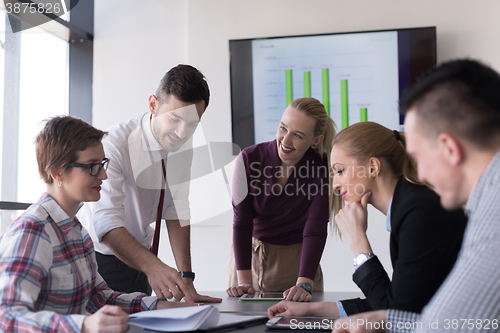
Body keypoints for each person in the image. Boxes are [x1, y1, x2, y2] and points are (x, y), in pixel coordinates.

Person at [332, 59, 500, 333]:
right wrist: (386, 319)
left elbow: (454, 328)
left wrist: (359, 245)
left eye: (418, 156)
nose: (419, 172)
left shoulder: (489, 219)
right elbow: (449, 319)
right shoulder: (486, 201)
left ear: (448, 148)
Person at [0, 116, 194, 333]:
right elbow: (7, 317)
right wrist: (84, 325)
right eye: (92, 167)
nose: (103, 174)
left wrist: (160, 306)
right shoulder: (32, 231)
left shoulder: (78, 231)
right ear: (57, 172)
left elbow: (99, 297)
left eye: (102, 164)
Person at [268, 121, 467, 319]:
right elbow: (392, 299)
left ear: (372, 167)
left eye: (340, 171)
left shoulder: (421, 212)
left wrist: (357, 240)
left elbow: (397, 313)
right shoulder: (410, 206)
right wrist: (309, 310)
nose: (335, 185)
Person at [78, 65, 221, 303]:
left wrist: (185, 277)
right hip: (99, 258)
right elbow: (106, 222)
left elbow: (177, 210)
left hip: (140, 259)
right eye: (174, 119)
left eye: (192, 124)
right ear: (153, 104)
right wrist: (154, 268)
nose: (181, 132)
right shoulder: (114, 145)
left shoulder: (183, 145)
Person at [227, 97, 340, 302]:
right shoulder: (248, 158)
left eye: (298, 135)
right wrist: (244, 281)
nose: (286, 141)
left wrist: (304, 283)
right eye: (283, 128)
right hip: (248, 261)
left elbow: (315, 227)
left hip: (298, 266)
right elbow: (241, 222)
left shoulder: (322, 167)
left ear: (316, 140)